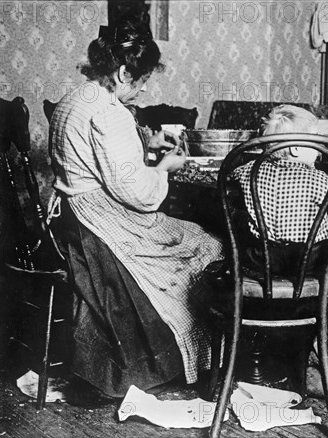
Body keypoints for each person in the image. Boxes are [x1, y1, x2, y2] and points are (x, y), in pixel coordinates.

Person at [49, 18, 223, 400]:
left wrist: (145, 148)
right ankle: (200, 360)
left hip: (71, 219)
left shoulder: (75, 99)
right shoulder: (110, 113)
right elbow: (141, 195)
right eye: (142, 80)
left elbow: (99, 165)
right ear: (125, 71)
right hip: (98, 228)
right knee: (208, 245)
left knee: (191, 237)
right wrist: (164, 167)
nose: (143, 88)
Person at [230, 104, 328, 276]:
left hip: (264, 260)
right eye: (316, 143)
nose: (320, 151)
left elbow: (232, 179)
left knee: (243, 243)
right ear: (295, 149)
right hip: (308, 261)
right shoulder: (323, 179)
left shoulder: (248, 171)